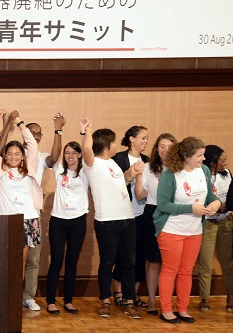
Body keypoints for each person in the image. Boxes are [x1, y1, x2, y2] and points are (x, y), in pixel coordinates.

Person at [154, 137, 221, 324]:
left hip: (194, 231)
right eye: (199, 155)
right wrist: (190, 208)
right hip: (171, 230)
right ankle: (166, 309)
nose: (203, 158)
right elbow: (163, 205)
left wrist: (215, 202)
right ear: (186, 156)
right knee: (170, 270)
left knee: (186, 271)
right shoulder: (170, 175)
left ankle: (182, 309)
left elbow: (209, 194)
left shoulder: (204, 171)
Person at [81, 118, 140, 319]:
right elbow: (87, 149)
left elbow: (120, 184)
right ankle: (105, 301)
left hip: (127, 219)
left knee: (129, 263)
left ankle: (130, 301)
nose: (116, 145)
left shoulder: (113, 164)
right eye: (113, 142)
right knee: (107, 262)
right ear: (106, 144)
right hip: (107, 221)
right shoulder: (92, 163)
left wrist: (130, 175)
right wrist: (87, 130)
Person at [0, 112, 43, 299]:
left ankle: (13, 298)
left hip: (26, 220)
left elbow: (32, 145)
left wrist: (20, 123)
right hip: (3, 221)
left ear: (22, 156)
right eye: (9, 153)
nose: (13, 157)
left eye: (17, 154)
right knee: (1, 262)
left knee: (20, 263)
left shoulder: (30, 168)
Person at [19, 114, 65, 311]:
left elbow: (54, 158)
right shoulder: (12, 153)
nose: (36, 136)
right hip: (11, 214)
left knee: (33, 259)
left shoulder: (40, 156)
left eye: (39, 133)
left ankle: (28, 296)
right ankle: (9, 294)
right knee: (12, 258)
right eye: (32, 133)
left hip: (33, 214)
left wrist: (58, 130)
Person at [133, 133, 177, 315]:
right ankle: (152, 301)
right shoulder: (149, 168)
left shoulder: (180, 170)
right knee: (154, 261)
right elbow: (140, 195)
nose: (165, 150)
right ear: (156, 148)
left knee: (171, 263)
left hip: (174, 216)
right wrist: (137, 176)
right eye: (161, 146)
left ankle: (167, 302)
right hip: (151, 215)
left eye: (169, 146)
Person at [45, 138, 89, 315]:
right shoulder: (59, 170)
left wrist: (84, 132)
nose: (70, 156)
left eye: (74, 152)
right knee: (56, 261)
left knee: (72, 262)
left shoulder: (86, 172)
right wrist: (58, 130)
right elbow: (54, 152)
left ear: (79, 155)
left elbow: (89, 151)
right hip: (58, 221)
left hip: (78, 221)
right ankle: (50, 301)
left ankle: (68, 300)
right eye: (67, 152)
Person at [112, 126, 149, 309]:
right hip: (121, 214)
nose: (145, 141)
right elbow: (112, 186)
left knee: (139, 256)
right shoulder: (118, 159)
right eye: (143, 137)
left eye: (147, 138)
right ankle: (118, 291)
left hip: (142, 215)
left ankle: (133, 294)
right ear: (132, 139)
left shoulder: (148, 162)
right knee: (122, 256)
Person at [196, 145, 233, 312]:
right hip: (208, 222)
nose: (225, 164)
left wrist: (229, 206)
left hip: (226, 221)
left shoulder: (228, 175)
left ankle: (231, 296)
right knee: (205, 262)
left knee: (227, 262)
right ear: (212, 162)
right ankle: (205, 298)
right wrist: (214, 206)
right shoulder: (202, 175)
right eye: (222, 161)